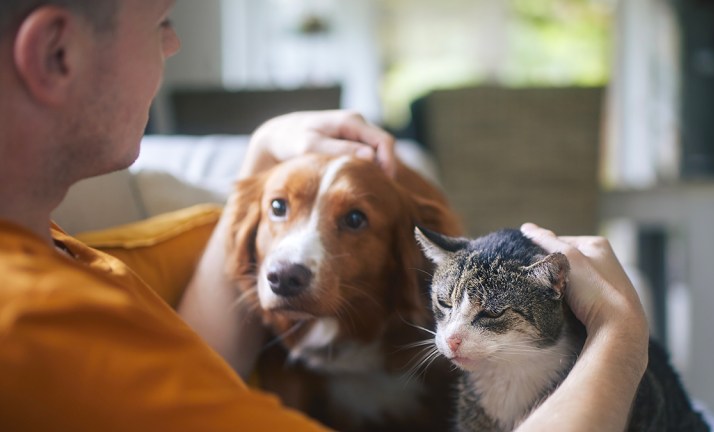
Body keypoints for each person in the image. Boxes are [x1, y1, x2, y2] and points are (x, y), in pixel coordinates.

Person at [0, 0, 649, 431]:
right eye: (159, 20)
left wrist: (263, 168)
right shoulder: (34, 325)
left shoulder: (44, 245)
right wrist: (620, 339)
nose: (171, 42)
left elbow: (194, 367)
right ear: (58, 54)